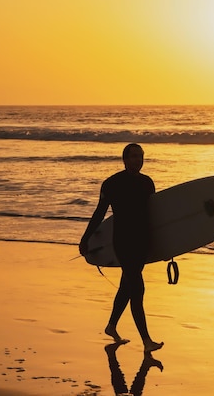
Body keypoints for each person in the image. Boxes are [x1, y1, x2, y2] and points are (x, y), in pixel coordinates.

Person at [79, 143, 163, 353]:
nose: (138, 160)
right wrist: (86, 238)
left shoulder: (147, 183)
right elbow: (100, 213)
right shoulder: (112, 184)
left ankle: (111, 326)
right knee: (137, 289)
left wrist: (164, 246)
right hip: (124, 243)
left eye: (141, 156)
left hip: (143, 242)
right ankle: (146, 341)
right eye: (134, 156)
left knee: (127, 286)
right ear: (124, 159)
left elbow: (156, 216)